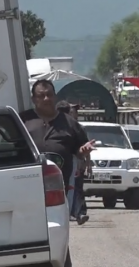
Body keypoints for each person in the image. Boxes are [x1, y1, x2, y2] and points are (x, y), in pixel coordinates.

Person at [21, 81, 95, 213]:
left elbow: (79, 149)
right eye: (41, 95)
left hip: (58, 191)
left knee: (57, 227)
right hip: (27, 187)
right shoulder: (23, 120)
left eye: (49, 95)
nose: (46, 99)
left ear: (55, 97)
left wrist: (83, 150)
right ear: (33, 99)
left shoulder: (69, 122)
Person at [56, 100, 90, 225]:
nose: (73, 113)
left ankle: (77, 213)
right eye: (70, 110)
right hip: (55, 162)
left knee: (74, 188)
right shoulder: (50, 125)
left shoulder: (76, 127)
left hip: (73, 161)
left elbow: (84, 145)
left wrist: (85, 162)